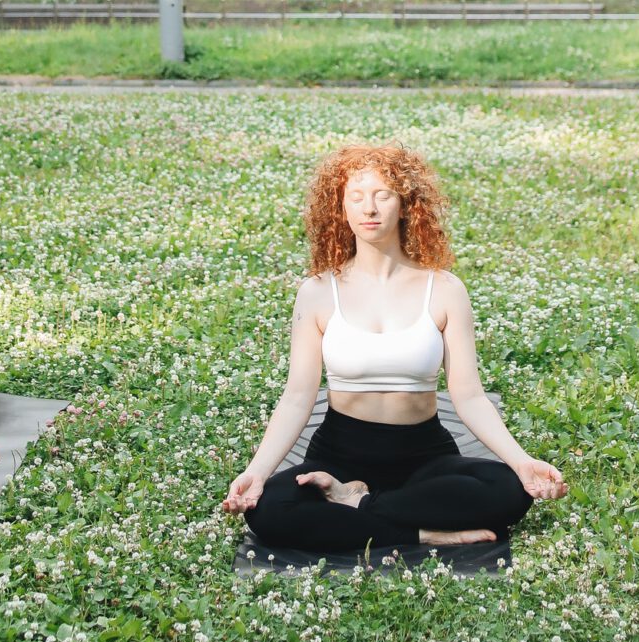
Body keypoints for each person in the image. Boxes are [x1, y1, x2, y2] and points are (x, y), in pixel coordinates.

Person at [222, 145, 567, 552]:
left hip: (423, 456)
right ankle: (419, 533)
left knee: (507, 490)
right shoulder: (317, 292)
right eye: (356, 197)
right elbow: (298, 397)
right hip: (338, 454)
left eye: (383, 195)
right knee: (270, 509)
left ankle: (360, 505)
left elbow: (469, 396)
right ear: (342, 210)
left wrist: (522, 461)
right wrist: (257, 472)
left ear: (405, 205)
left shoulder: (444, 289)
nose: (369, 208)